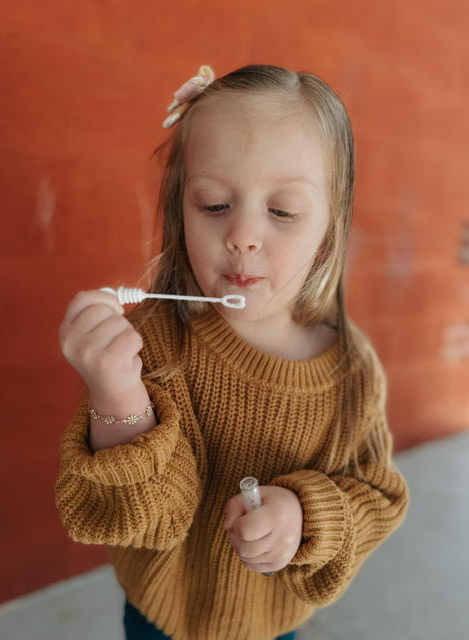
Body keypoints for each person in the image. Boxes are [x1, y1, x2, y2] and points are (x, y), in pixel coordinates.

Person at [55, 64, 410, 640]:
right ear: (180, 212)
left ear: (327, 231)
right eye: (215, 204)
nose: (243, 234)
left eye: (283, 211)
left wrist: (306, 518)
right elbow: (143, 520)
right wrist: (117, 393)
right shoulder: (152, 341)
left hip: (269, 625)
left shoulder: (352, 370)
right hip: (159, 617)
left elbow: (379, 494)